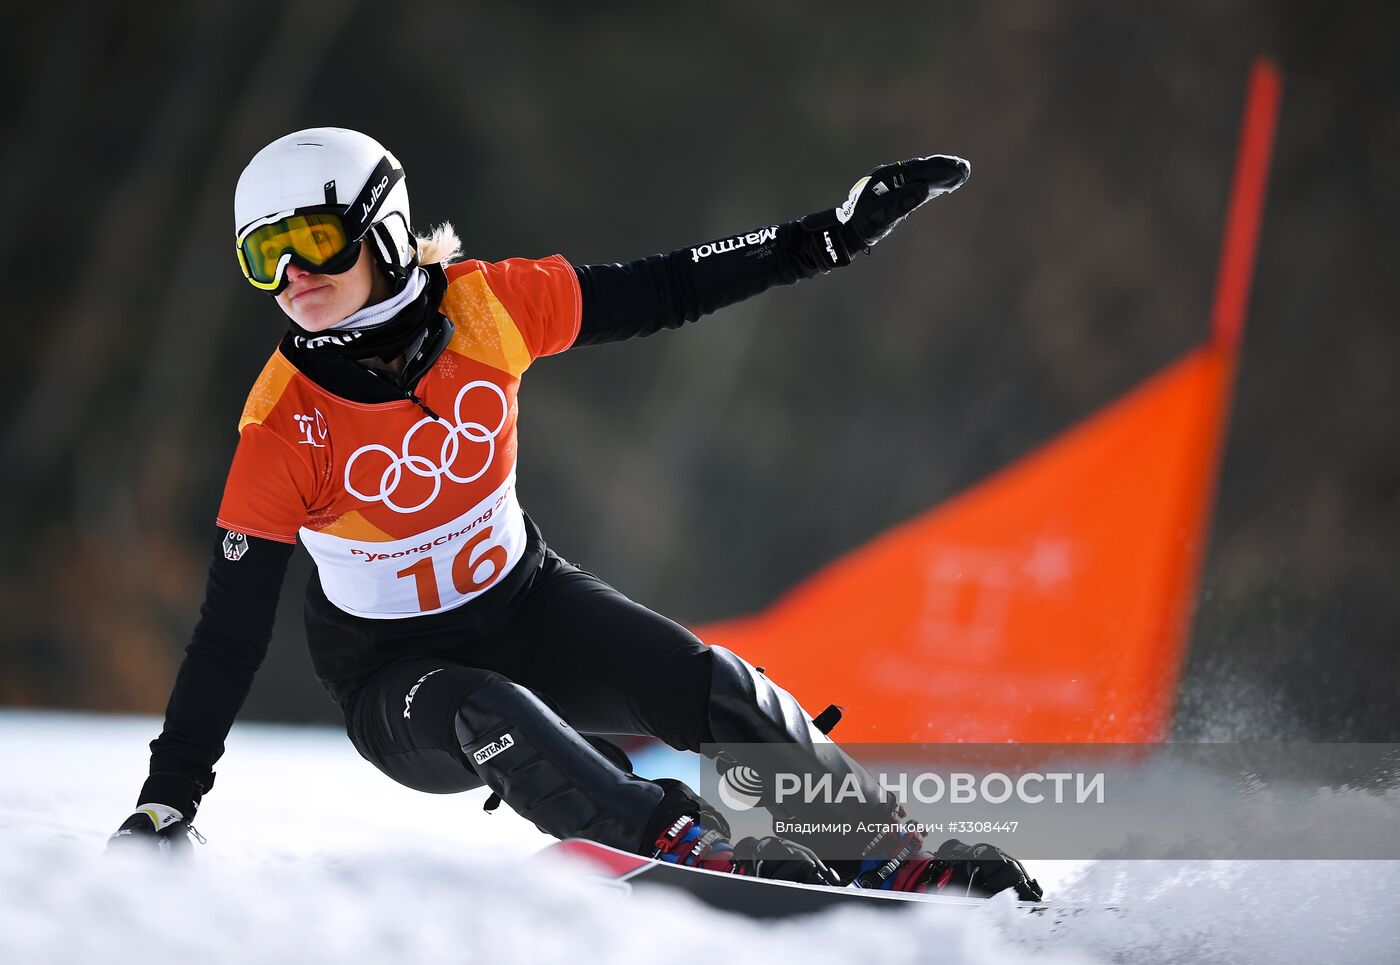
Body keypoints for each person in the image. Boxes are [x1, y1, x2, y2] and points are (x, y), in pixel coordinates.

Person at [107, 127, 1040, 900]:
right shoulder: (282, 424)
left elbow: (668, 286)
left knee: (706, 679)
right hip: (397, 682)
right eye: (262, 255)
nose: (291, 276)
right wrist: (167, 801)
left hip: (531, 605)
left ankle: (884, 849)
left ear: (384, 231)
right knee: (492, 707)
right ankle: (667, 839)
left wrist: (822, 239)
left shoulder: (490, 308)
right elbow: (227, 635)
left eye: (311, 240)